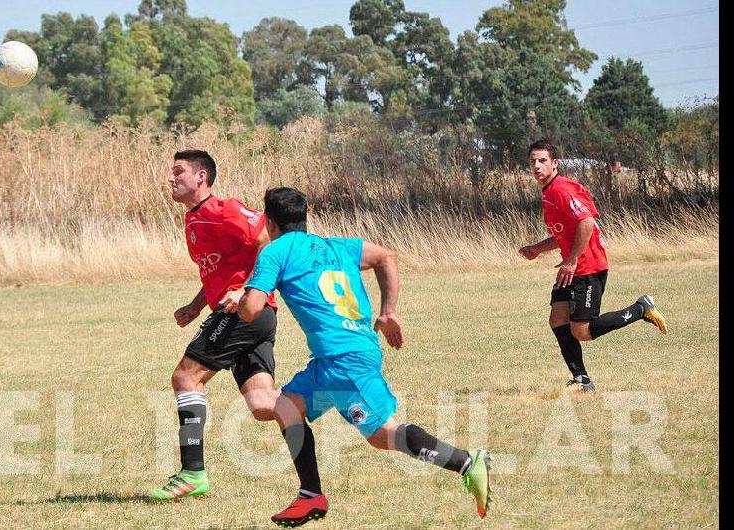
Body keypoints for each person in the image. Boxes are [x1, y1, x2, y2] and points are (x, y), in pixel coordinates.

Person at [238, 187, 492, 526]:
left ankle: (466, 462)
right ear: (304, 217)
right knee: (286, 406)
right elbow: (386, 256)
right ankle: (310, 495)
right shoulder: (337, 246)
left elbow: (252, 309)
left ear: (269, 221)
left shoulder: (275, 251)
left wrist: (240, 299)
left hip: (343, 361)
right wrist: (388, 313)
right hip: (337, 358)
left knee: (384, 433)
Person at [147, 150, 292, 500]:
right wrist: (196, 306)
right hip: (252, 316)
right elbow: (219, 269)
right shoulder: (194, 219)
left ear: (201, 177)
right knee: (261, 404)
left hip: (243, 312)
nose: (171, 177)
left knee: (185, 377)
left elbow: (269, 243)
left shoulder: (223, 209)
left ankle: (192, 473)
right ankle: (322, 396)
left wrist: (246, 290)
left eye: (178, 171)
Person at [519, 140, 668, 392]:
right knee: (557, 319)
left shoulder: (562, 189)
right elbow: (564, 233)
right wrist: (537, 249)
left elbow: (586, 223)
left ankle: (641, 308)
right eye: (533, 161)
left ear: (554, 163)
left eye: (542, 160)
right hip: (572, 266)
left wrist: (572, 259)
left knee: (583, 332)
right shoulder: (548, 192)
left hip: (587, 267)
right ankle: (582, 381)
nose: (536, 165)